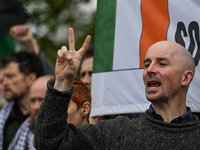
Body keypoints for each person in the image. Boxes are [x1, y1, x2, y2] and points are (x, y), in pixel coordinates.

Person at [35, 28, 200, 149]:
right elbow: (50, 143)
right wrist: (63, 82)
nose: (150, 70)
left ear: (185, 78)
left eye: (162, 63)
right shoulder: (118, 133)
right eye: (147, 64)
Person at [0, 51, 43, 150]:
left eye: (10, 76)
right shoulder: (3, 117)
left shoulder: (49, 117)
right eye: (3, 78)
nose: (4, 83)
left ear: (30, 78)